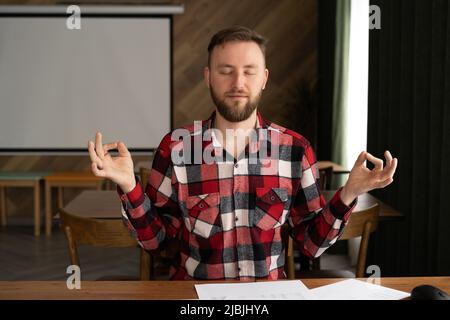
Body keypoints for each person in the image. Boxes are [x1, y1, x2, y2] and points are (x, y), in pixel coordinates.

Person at [88, 26, 398, 280]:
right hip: (195, 297)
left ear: (263, 78)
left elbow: (309, 245)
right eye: (226, 71)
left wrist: (349, 193)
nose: (238, 83)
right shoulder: (176, 147)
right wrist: (129, 186)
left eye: (249, 71)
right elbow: (157, 242)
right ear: (208, 76)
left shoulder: (295, 150)